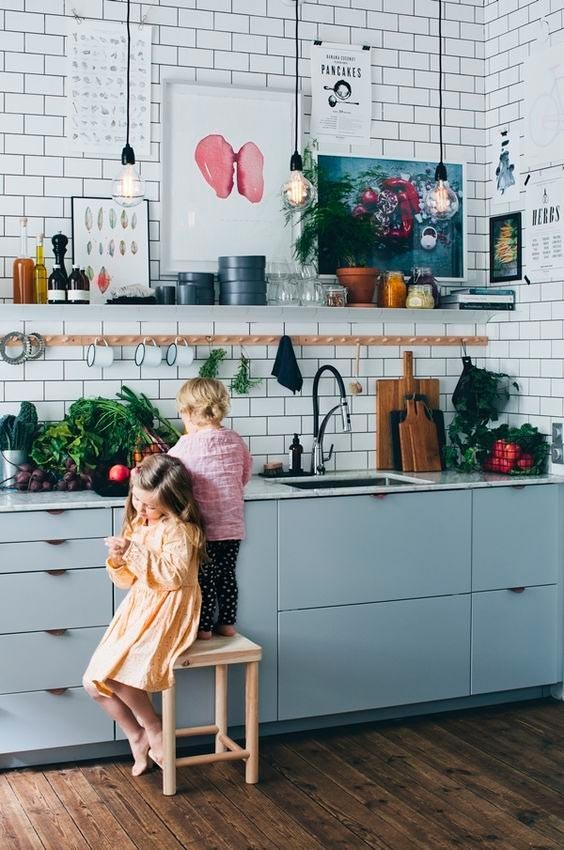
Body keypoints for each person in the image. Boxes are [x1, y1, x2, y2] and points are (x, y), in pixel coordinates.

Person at [83, 453, 205, 775]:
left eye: (151, 506)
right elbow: (126, 582)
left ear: (173, 503)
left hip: (169, 609)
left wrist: (133, 552)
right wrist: (120, 560)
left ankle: (154, 728)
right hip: (139, 607)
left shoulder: (179, 530)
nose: (141, 509)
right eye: (137, 499)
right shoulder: (139, 524)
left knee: (117, 672)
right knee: (93, 683)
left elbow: (173, 576)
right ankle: (136, 735)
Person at [169, 377, 253, 641]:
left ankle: (203, 629)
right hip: (232, 526)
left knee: (203, 579)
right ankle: (227, 624)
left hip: (201, 528)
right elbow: (245, 474)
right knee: (227, 576)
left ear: (191, 412)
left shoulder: (184, 445)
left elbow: (168, 477)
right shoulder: (235, 440)